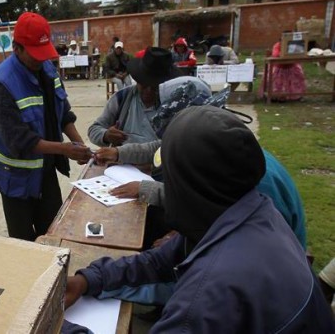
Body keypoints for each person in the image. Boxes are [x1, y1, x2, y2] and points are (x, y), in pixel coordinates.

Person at [65, 106, 335, 333]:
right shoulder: (252, 212)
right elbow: (159, 260)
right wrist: (89, 279)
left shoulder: (204, 298)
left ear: (192, 187)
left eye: (168, 176)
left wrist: (57, 326)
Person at [96, 76, 308, 249]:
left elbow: (238, 237)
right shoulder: (219, 148)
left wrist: (179, 241)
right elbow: (159, 148)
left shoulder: (251, 179)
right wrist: (119, 154)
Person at [0, 12, 92, 241]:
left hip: (45, 169)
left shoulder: (48, 70)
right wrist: (65, 149)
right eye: (34, 54)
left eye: (44, 54)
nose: (40, 60)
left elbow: (63, 112)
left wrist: (78, 143)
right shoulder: (1, 86)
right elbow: (18, 141)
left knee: (53, 233)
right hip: (15, 178)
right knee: (25, 244)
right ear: (17, 48)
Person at [88, 47, 179, 147]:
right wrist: (106, 135)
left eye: (155, 86)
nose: (149, 90)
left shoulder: (175, 103)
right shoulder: (121, 99)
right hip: (123, 161)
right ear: (138, 78)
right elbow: (94, 129)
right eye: (144, 83)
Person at [268, 31, 306, 102]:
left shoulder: (294, 45)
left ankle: (295, 96)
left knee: (297, 77)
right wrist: (284, 53)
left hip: (291, 67)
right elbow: (275, 54)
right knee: (277, 81)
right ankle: (277, 97)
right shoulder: (278, 45)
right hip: (280, 67)